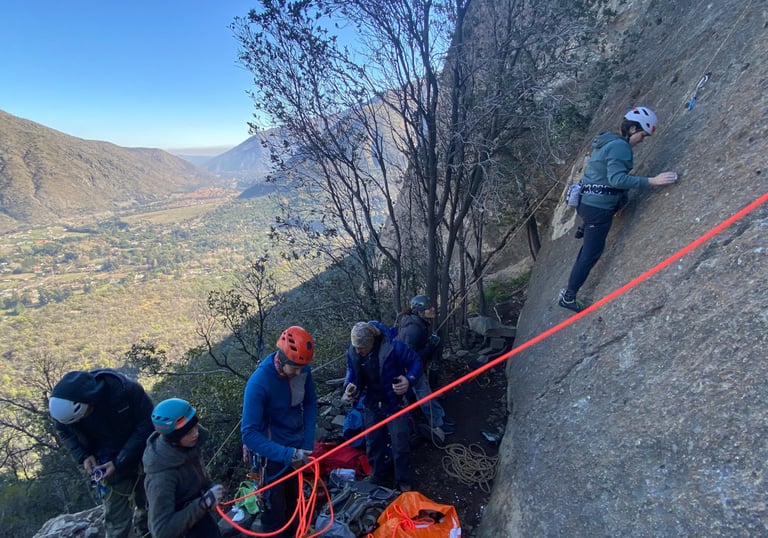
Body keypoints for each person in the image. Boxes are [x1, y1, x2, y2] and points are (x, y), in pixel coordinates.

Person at [559, 106, 678, 312]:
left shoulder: (609, 142)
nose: (642, 140)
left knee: (588, 246)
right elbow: (617, 179)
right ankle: (569, 296)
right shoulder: (620, 147)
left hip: (587, 204)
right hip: (598, 208)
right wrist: (652, 181)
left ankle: (586, 228)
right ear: (632, 129)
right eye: (642, 135)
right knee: (591, 253)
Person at [48, 368, 154, 538]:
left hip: (143, 453)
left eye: (81, 417)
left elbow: (147, 423)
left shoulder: (126, 391)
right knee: (116, 517)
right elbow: (65, 432)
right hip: (105, 461)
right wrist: (83, 456)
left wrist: (120, 461)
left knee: (148, 503)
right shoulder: (65, 412)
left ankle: (148, 532)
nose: (81, 422)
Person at [241, 326, 318, 537]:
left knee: (295, 499)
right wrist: (287, 455)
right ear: (281, 359)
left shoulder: (302, 370)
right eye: (294, 367)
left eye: (303, 367)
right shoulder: (259, 383)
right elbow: (249, 433)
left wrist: (306, 444)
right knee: (274, 512)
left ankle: (297, 532)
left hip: (296, 445)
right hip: (272, 456)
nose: (299, 373)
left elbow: (310, 403)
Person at [343, 321, 423, 491]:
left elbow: (416, 362)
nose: (358, 351)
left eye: (362, 347)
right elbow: (351, 371)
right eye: (356, 347)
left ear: (372, 342)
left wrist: (408, 380)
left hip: (395, 402)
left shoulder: (393, 348)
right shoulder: (353, 351)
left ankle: (403, 481)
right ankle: (377, 474)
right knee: (373, 441)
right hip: (371, 401)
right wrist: (349, 386)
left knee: (399, 442)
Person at [143, 398, 224, 538]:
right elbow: (162, 531)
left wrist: (210, 487)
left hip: (199, 519)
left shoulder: (188, 446)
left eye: (195, 427)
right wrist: (203, 504)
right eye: (188, 433)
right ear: (173, 438)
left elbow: (199, 476)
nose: (195, 434)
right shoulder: (161, 476)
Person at [396, 295, 456, 442]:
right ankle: (436, 422)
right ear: (420, 312)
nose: (433, 309)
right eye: (429, 308)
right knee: (424, 393)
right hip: (408, 367)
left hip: (409, 364)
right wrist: (430, 346)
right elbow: (411, 355)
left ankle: (438, 416)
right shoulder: (413, 329)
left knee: (423, 391)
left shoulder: (417, 322)